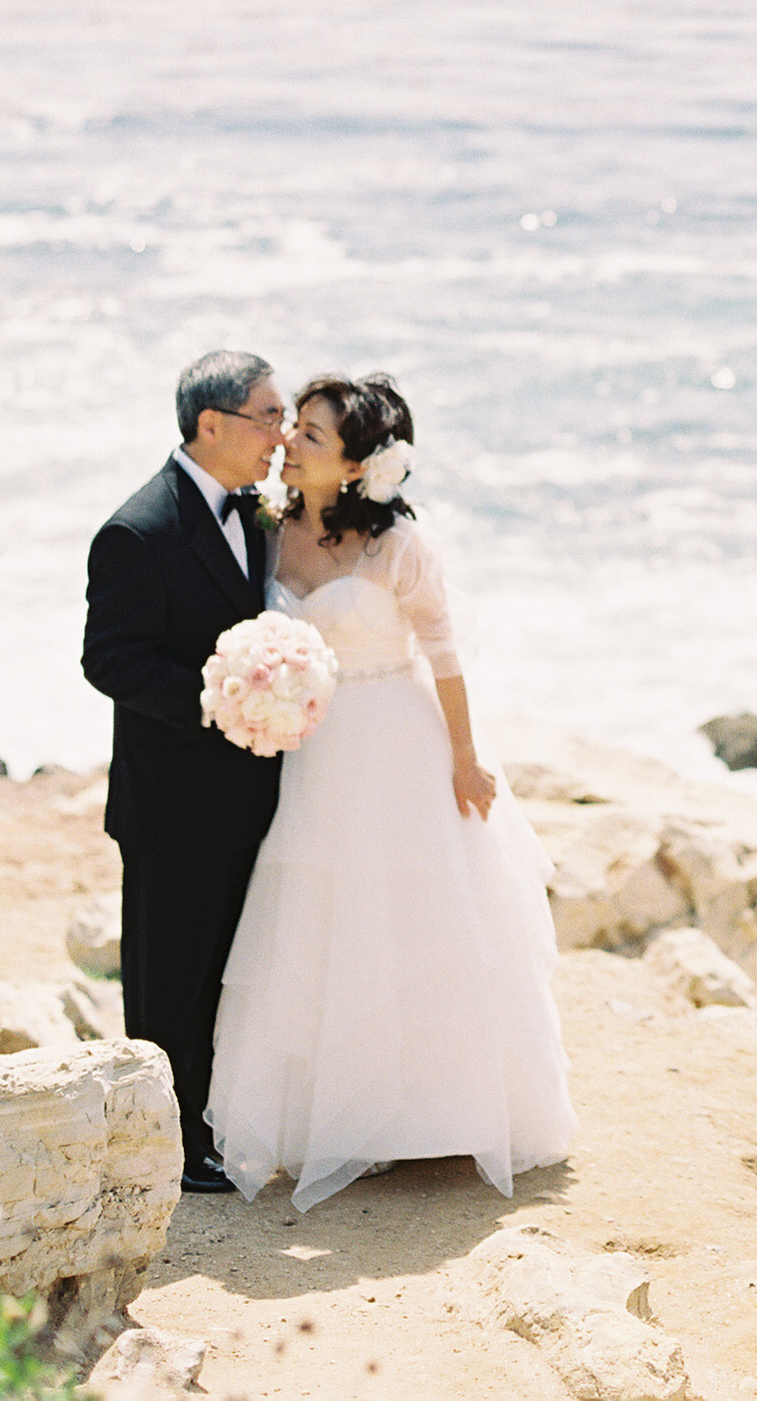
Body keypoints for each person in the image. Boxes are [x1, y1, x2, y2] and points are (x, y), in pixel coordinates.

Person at [205, 371, 574, 1210]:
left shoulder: (397, 544)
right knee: (324, 923)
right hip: (316, 752)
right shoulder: (269, 525)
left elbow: (444, 654)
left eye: (312, 435)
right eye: (293, 426)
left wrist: (466, 758)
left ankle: (433, 1113)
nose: (289, 442)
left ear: (359, 463)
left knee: (421, 921)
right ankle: (342, 1116)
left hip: (398, 745)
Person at [82, 348, 288, 1195]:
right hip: (173, 803)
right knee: (170, 979)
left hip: (253, 794)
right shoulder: (139, 529)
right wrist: (219, 697)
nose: (280, 434)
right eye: (267, 417)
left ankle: (212, 1125)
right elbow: (110, 661)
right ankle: (161, 1146)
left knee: (229, 971)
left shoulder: (261, 514)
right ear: (213, 425)